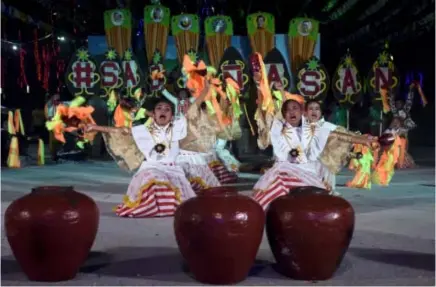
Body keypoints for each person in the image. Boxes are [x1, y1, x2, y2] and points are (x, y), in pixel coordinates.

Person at [252, 98, 376, 211]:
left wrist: (363, 140)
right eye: (287, 110)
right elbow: (266, 107)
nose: (291, 112)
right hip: (284, 169)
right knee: (277, 185)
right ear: (284, 115)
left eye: (295, 109)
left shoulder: (312, 129)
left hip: (308, 171)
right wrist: (260, 84)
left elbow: (336, 135)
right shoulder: (279, 130)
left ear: (302, 112)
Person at [86, 97, 196, 218]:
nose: (163, 111)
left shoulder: (176, 127)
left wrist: (206, 90)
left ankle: (165, 207)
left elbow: (192, 110)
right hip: (152, 167)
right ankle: (153, 207)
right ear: (153, 114)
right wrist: (95, 127)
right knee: (154, 177)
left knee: (188, 204)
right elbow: (121, 130)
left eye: (167, 109)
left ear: (171, 116)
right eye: (159, 108)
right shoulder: (143, 130)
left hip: (173, 170)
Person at [177, 79, 221, 191]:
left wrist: (206, 90)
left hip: (195, 157)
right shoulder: (181, 118)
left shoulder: (197, 117)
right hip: (182, 158)